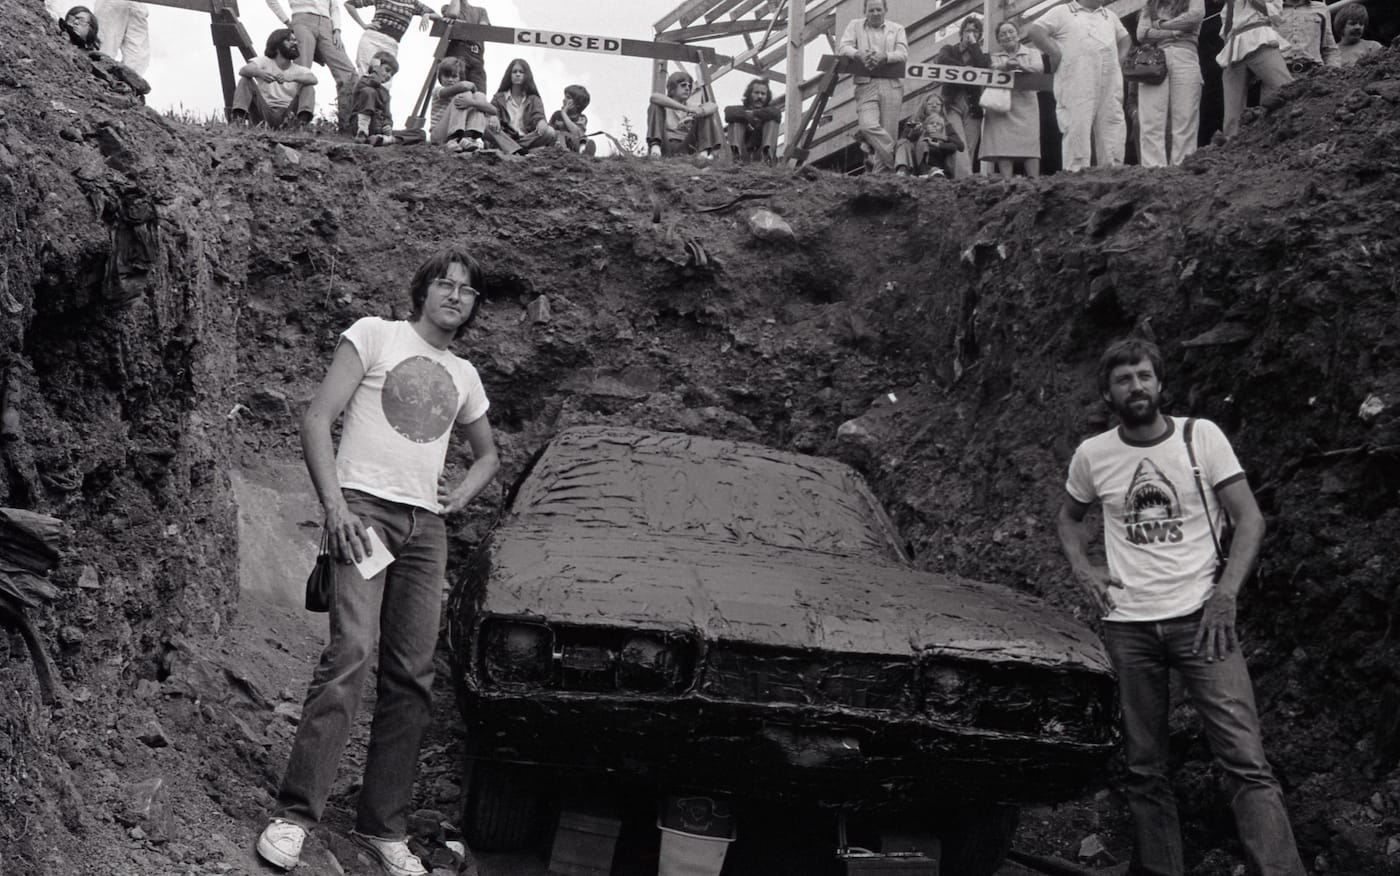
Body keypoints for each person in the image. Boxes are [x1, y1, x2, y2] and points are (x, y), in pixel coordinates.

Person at [254, 246, 499, 876]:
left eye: (466, 290)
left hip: (425, 532)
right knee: (351, 652)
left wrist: (458, 494)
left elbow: (488, 457)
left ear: (473, 306)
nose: (454, 295)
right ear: (422, 291)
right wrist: (333, 507)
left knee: (413, 677)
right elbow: (316, 418)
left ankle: (382, 829)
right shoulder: (375, 336)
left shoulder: (465, 376)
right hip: (364, 513)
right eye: (444, 284)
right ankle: (295, 816)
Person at [1057, 339, 1307, 876]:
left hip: (1203, 623)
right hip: (1128, 628)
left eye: (1144, 375)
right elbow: (1069, 518)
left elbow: (1250, 519)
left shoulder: (1202, 437)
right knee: (1145, 767)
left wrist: (1225, 596)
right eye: (1124, 379)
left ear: (1160, 383)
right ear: (1108, 392)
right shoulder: (1093, 455)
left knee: (1245, 761)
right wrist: (1084, 570)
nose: (1137, 387)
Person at [1028, 0, 1130, 172]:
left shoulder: (1109, 15)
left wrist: (1119, 59)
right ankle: (1076, 175)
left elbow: (1125, 38)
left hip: (1109, 79)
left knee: (1112, 121)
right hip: (1076, 78)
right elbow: (1035, 30)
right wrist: (1054, 51)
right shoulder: (1063, 11)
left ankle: (1113, 172)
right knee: (1076, 124)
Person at [836, 0, 908, 173]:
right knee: (868, 126)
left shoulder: (897, 28)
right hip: (865, 83)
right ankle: (902, 160)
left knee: (888, 130)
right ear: (865, 11)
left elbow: (903, 53)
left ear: (885, 10)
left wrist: (885, 56)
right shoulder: (855, 25)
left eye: (879, 9)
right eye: (871, 10)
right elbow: (844, 47)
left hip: (891, 84)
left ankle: (881, 179)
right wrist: (858, 53)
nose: (875, 13)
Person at [265, 0, 359, 131]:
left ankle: (349, 127)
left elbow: (334, 6)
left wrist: (337, 29)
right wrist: (287, 21)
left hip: (327, 24)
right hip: (302, 20)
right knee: (301, 72)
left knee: (348, 73)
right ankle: (295, 121)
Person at [1135, 0, 1204, 167]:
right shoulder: (1151, 4)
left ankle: (1183, 168)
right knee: (1151, 118)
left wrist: (1159, 25)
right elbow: (1141, 33)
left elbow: (1194, 17)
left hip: (1185, 55)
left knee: (1185, 116)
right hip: (1155, 59)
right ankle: (1153, 170)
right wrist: (1173, 33)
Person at [1216, 0, 1292, 139]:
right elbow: (1226, 31)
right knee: (1232, 112)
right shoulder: (1229, 4)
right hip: (1233, 48)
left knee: (1286, 88)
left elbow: (1275, 15)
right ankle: (1230, 146)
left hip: (1259, 39)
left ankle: (1297, 131)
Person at [980, 20, 1042, 178]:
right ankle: (1007, 182)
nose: (1007, 36)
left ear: (1018, 34)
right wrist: (1005, 66)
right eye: (1003, 34)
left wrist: (1022, 67)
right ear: (998, 40)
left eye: (1010, 32)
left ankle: (1034, 181)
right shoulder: (995, 57)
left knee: (1030, 143)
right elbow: (992, 69)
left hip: (1026, 103)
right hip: (1002, 104)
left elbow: (1039, 68)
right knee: (1003, 144)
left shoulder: (1032, 52)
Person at [934, 15, 990, 178]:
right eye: (968, 30)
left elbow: (983, 65)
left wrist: (973, 46)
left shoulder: (981, 54)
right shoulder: (949, 49)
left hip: (973, 106)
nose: (970, 33)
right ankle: (965, 179)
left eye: (975, 30)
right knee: (958, 143)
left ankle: (959, 182)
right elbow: (942, 60)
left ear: (979, 35)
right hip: (952, 103)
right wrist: (966, 70)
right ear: (961, 32)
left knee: (969, 147)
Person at [231, 29, 318, 129]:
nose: (294, 43)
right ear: (277, 45)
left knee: (308, 87)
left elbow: (313, 79)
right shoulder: (264, 61)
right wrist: (260, 73)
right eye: (289, 40)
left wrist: (292, 77)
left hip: (289, 115)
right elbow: (244, 70)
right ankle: (238, 121)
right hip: (264, 112)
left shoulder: (300, 69)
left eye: (295, 40)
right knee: (245, 80)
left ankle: (302, 125)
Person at [344, 0, 441, 73]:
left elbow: (437, 16)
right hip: (372, 38)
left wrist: (427, 15)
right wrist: (363, 25)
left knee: (385, 79)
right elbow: (349, 4)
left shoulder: (413, 3)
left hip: (391, 44)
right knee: (365, 72)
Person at [645, 69, 723, 159]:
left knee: (705, 112)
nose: (687, 88)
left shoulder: (694, 107)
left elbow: (713, 106)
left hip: (687, 146)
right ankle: (655, 148)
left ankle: (703, 154)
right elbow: (654, 97)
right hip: (665, 145)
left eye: (689, 86)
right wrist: (686, 109)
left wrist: (696, 114)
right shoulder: (664, 103)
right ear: (672, 88)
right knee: (654, 106)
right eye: (683, 85)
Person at [487, 58, 557, 153]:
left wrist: (541, 122)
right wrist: (493, 116)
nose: (518, 74)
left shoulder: (534, 99)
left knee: (550, 132)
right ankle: (519, 150)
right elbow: (490, 112)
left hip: (527, 138)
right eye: (514, 72)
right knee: (485, 125)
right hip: (505, 136)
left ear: (526, 75)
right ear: (509, 75)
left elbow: (538, 116)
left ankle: (513, 148)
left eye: (521, 72)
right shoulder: (499, 97)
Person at [429, 56, 496, 152]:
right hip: (439, 135)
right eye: (446, 76)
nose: (450, 80)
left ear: (460, 77)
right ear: (440, 77)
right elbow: (463, 86)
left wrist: (473, 102)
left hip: (459, 133)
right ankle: (452, 139)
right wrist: (472, 86)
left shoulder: (465, 94)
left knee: (479, 96)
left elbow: (494, 110)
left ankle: (469, 137)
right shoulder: (437, 90)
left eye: (454, 76)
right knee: (464, 95)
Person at [894, 91, 963, 178]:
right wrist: (920, 131)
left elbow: (960, 146)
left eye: (938, 104)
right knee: (904, 143)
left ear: (941, 107)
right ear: (924, 106)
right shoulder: (914, 121)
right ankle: (902, 169)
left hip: (937, 158)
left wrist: (942, 138)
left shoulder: (946, 124)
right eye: (930, 104)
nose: (934, 106)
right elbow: (903, 141)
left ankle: (932, 172)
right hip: (915, 156)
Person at [723, 78, 782, 164]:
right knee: (736, 122)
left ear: (767, 96)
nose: (760, 96)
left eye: (763, 94)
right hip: (744, 152)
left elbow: (777, 114)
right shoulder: (740, 109)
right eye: (756, 93)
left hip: (759, 153)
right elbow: (728, 113)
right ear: (749, 94)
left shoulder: (770, 111)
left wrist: (754, 113)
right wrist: (746, 116)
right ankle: (736, 157)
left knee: (772, 122)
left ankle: (767, 159)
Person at [440, 0, 490, 94]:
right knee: (456, 91)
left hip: (476, 56)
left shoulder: (481, 11)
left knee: (479, 94)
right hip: (458, 52)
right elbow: (452, 14)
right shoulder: (447, 7)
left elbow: (483, 29)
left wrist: (460, 23)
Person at [1278, 0, 1338, 73]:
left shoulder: (1321, 8)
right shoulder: (1271, 9)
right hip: (1281, 74)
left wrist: (1332, 72)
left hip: (1314, 73)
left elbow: (1329, 48)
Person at [91, 0, 148, 75]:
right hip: (112, 3)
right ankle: (99, 81)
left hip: (137, 5)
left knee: (138, 59)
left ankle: (123, 84)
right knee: (105, 50)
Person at [549, 84, 597, 156]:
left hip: (573, 142)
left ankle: (584, 150)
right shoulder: (557, 114)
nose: (564, 99)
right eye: (565, 96)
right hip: (558, 141)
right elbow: (549, 130)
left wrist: (564, 114)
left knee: (583, 140)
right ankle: (562, 150)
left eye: (568, 98)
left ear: (577, 104)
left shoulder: (581, 118)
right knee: (559, 133)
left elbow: (576, 132)